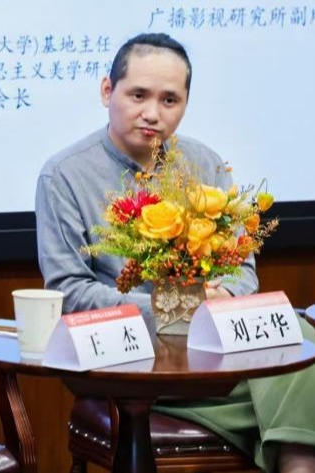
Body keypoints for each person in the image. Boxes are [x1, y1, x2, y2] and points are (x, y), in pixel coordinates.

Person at [35, 32, 315, 472]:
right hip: (128, 360)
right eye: (138, 95)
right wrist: (179, 308)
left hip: (215, 358)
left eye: (169, 100)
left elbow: (242, 268)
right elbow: (70, 291)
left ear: (185, 103)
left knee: (301, 341)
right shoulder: (64, 175)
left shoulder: (205, 164)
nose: (152, 113)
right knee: (301, 379)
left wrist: (223, 300)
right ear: (107, 91)